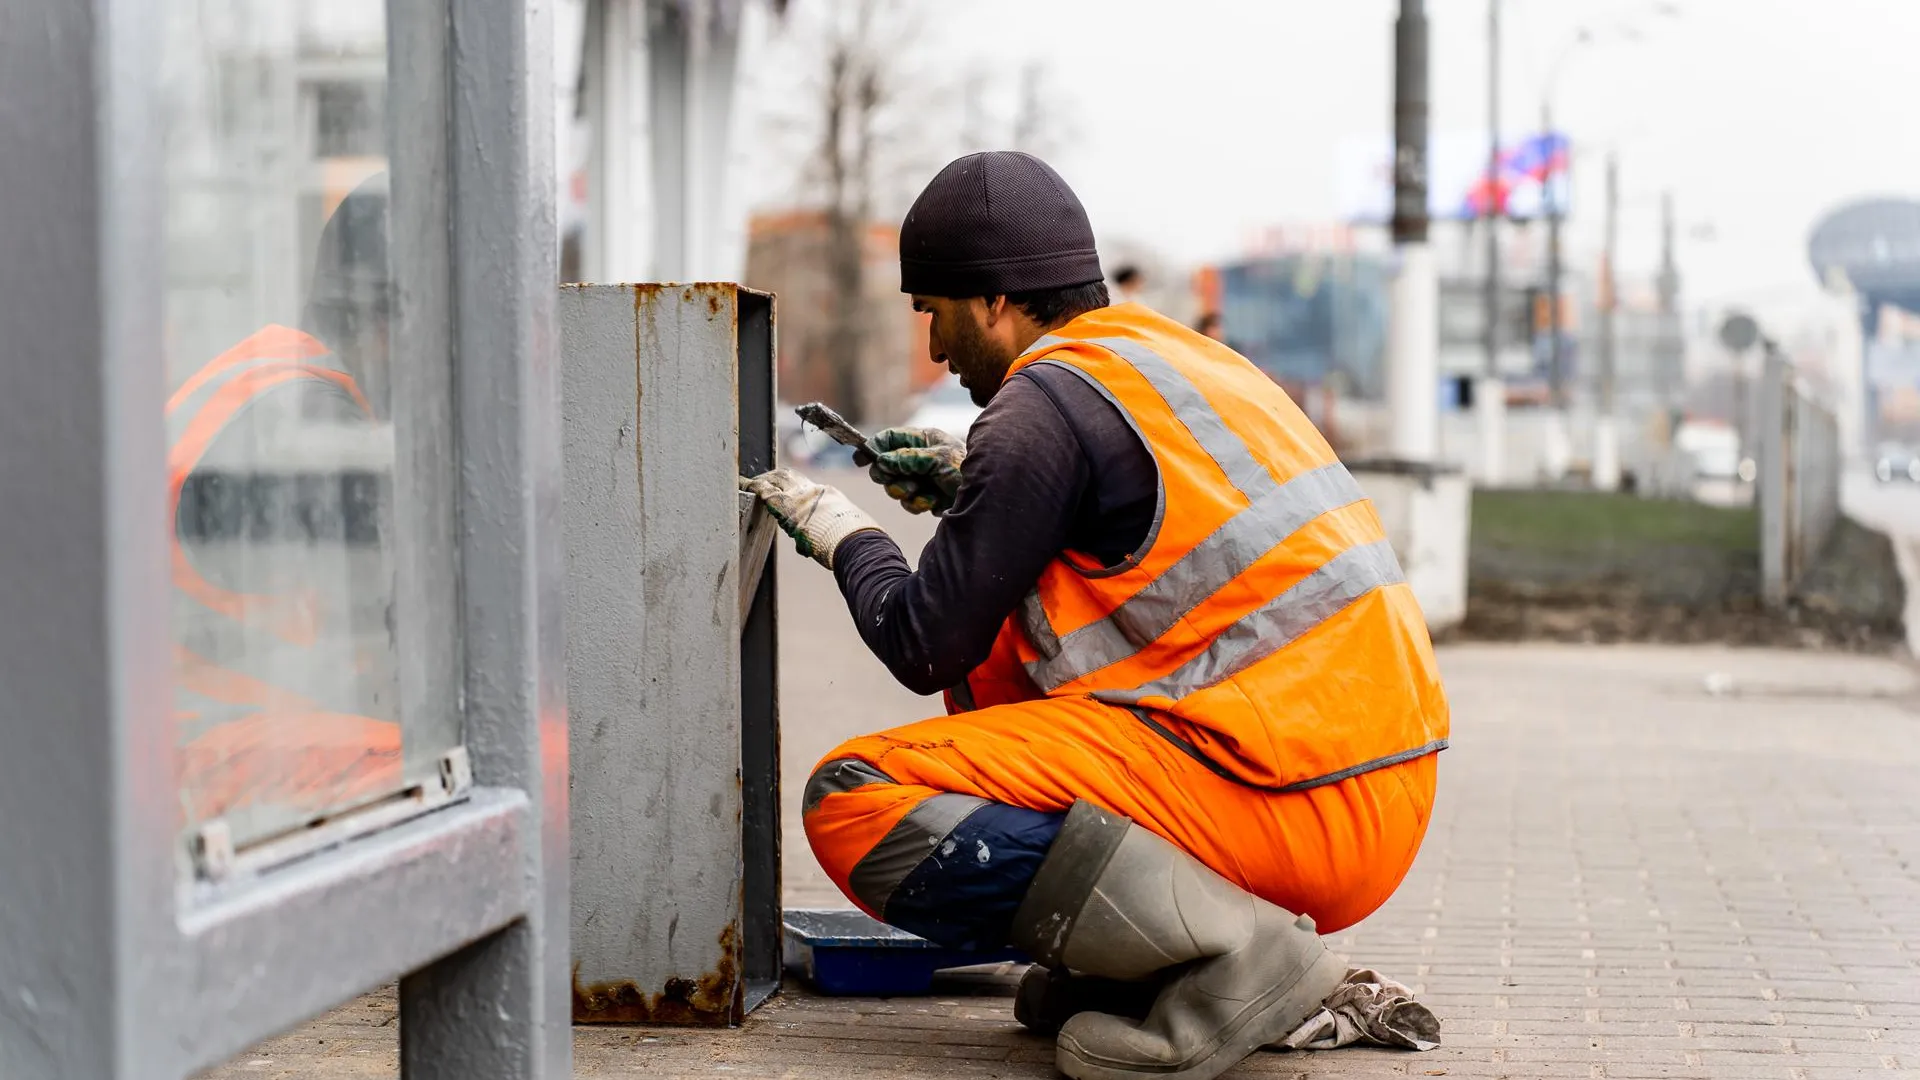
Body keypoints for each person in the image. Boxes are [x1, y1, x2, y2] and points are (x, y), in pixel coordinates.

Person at [744, 151, 1449, 1080]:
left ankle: (1246, 959)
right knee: (1003, 696)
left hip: (1291, 794)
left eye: (936, 313)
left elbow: (925, 642)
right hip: (1371, 785)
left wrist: (848, 538)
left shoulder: (1041, 406)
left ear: (995, 301)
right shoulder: (1170, 360)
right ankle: (1151, 969)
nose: (936, 350)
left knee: (855, 798)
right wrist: (973, 487)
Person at [171, 174, 401, 829]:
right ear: (383, 318)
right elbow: (387, 638)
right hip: (222, 764)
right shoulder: (317, 427)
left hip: (175, 746)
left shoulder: (254, 377)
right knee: (425, 771)